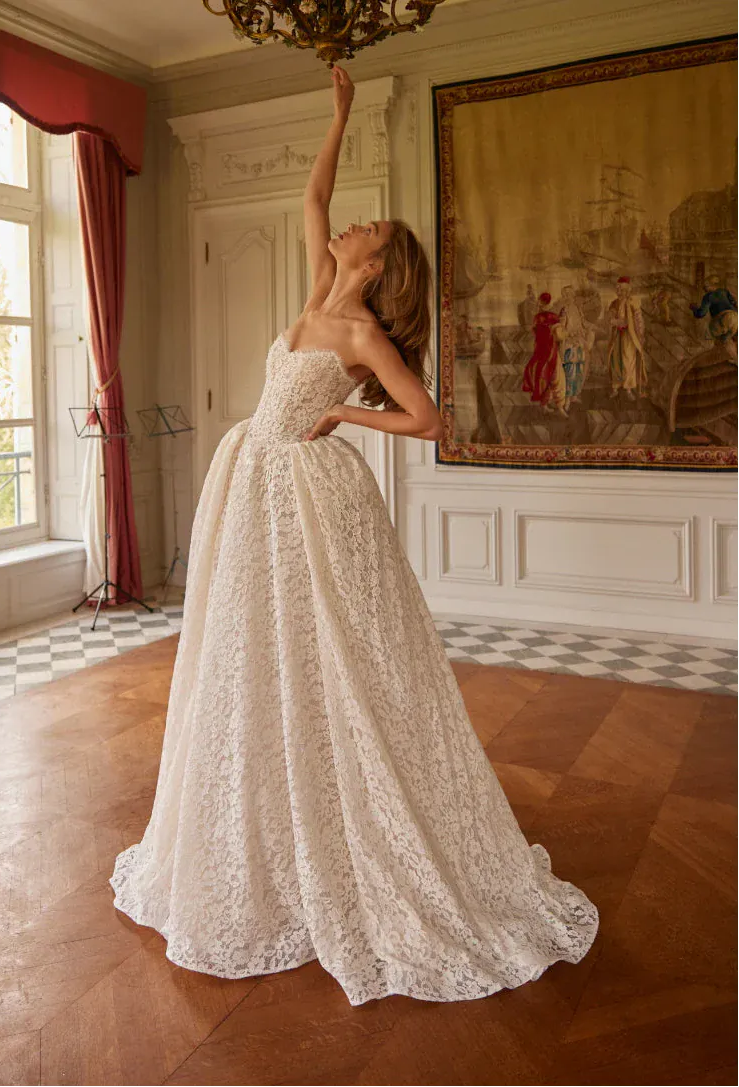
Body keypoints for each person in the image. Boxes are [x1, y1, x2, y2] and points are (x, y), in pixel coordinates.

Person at [110, 65, 598, 1007]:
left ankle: (358, 830)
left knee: (333, 653)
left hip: (301, 485)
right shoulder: (315, 290)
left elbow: (426, 419)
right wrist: (336, 115)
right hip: (252, 479)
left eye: (362, 233)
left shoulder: (363, 332)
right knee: (257, 649)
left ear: (378, 265)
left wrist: (342, 421)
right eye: (349, 227)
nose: (344, 229)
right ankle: (269, 816)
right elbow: (312, 192)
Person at [521, 292, 568, 415]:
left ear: (541, 302)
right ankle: (559, 406)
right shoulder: (554, 317)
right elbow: (559, 337)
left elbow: (534, 332)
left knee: (542, 376)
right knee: (557, 378)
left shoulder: (537, 318)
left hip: (540, 351)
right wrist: (563, 326)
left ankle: (545, 404)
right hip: (551, 351)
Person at [607, 275, 647, 399]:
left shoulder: (633, 302)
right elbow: (610, 317)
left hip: (629, 336)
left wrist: (640, 335)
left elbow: (639, 320)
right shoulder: (614, 303)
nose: (619, 292)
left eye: (622, 290)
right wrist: (612, 320)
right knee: (615, 360)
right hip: (617, 335)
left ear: (627, 290)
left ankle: (628, 388)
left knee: (628, 360)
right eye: (618, 290)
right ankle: (615, 387)